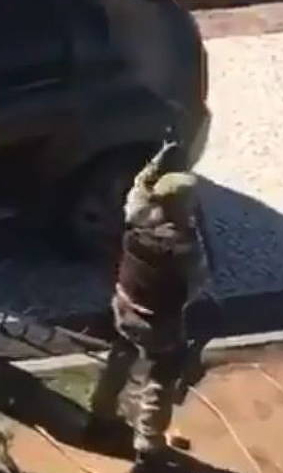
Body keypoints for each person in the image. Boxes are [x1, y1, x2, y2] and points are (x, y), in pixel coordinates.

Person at [85, 141, 213, 473]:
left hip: (125, 307)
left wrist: (158, 161)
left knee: (120, 357)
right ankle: (148, 448)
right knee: (160, 381)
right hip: (159, 324)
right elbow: (196, 286)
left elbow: (137, 189)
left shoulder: (138, 217)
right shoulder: (184, 247)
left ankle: (100, 416)